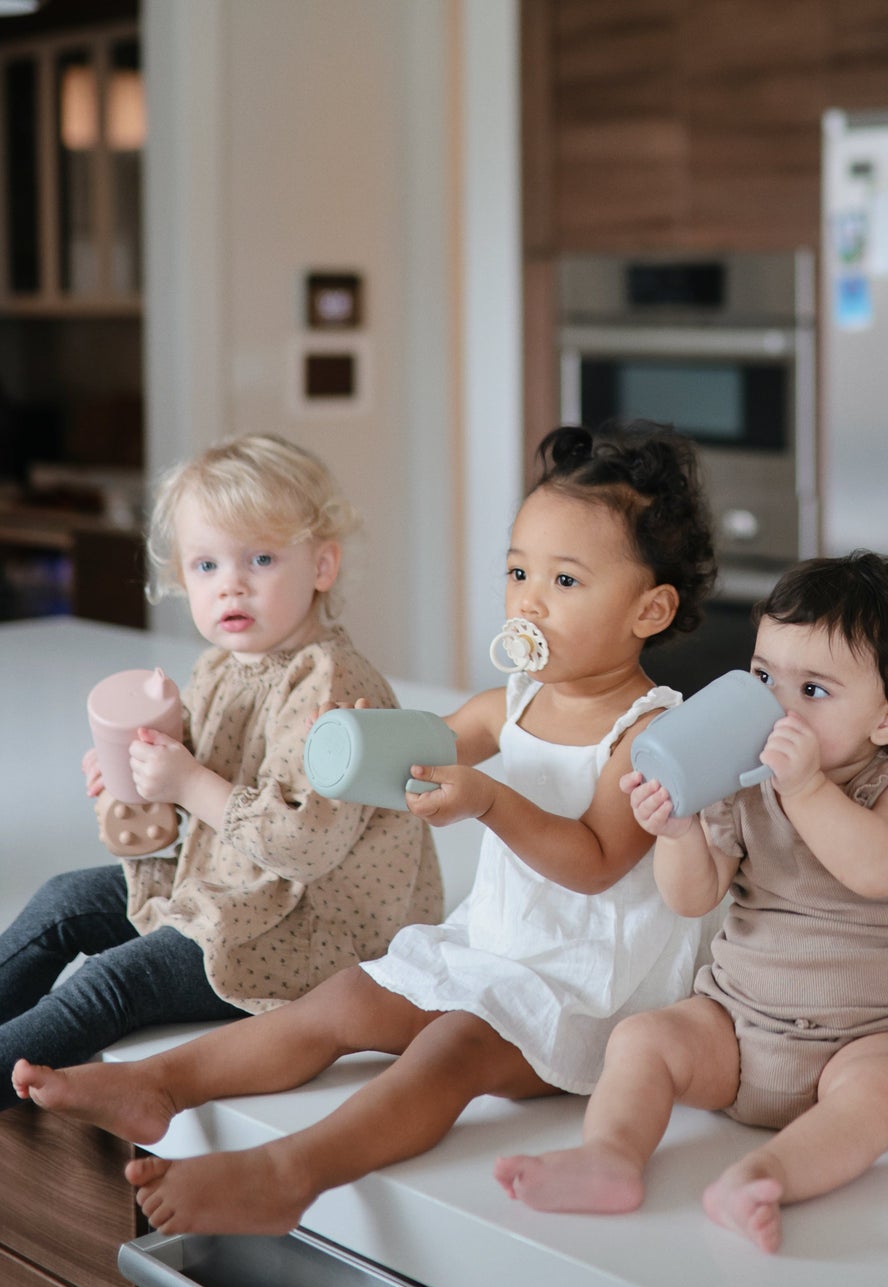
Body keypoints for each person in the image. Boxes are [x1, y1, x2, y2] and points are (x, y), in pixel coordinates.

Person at [17, 420, 720, 1237]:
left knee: (450, 1048)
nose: (527, 599)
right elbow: (428, 744)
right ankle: (163, 1081)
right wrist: (358, 737)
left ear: (650, 608)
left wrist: (489, 801)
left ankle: (291, 1171)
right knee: (344, 998)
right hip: (495, 944)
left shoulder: (647, 732)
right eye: (518, 570)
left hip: (585, 985)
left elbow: (597, 862)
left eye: (564, 581)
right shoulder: (515, 700)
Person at [496, 551, 888, 1254]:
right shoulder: (740, 779)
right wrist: (678, 832)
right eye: (766, 676)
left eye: (815, 690)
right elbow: (693, 896)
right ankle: (610, 1158)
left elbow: (878, 869)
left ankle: (765, 1176)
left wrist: (805, 790)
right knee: (643, 1038)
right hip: (738, 1030)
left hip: (864, 1038)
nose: (777, 707)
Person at [2, 433, 442, 1106]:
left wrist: (185, 781)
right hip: (227, 889)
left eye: (260, 558)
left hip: (307, 934)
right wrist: (139, 790)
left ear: (322, 565)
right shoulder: (219, 668)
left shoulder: (331, 684)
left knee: (113, 984)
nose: (229, 583)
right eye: (205, 565)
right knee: (65, 901)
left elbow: (302, 843)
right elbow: (181, 831)